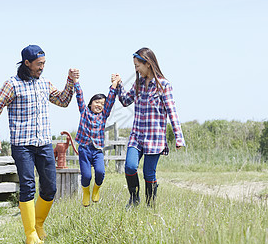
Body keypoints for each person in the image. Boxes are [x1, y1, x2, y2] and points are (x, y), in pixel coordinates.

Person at [0, 44, 79, 244]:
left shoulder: (45, 83)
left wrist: (70, 81)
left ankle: (38, 224)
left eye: (44, 63)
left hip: (44, 143)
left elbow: (63, 101)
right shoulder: (12, 85)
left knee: (50, 187)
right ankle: (30, 235)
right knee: (28, 186)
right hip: (23, 145)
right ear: (26, 63)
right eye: (39, 64)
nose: (42, 67)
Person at [113, 47, 185, 207]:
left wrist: (178, 137)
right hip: (137, 136)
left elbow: (172, 112)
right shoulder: (138, 84)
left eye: (137, 65)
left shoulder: (164, 85)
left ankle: (150, 204)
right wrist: (118, 85)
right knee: (130, 166)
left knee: (148, 173)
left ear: (148, 64)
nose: (136, 69)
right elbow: (125, 101)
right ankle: (134, 198)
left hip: (155, 138)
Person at [74, 74, 121, 206]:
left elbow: (111, 99)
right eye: (97, 102)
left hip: (97, 150)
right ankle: (86, 192)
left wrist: (114, 85)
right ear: (90, 103)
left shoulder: (104, 115)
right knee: (87, 176)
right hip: (84, 149)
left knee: (100, 172)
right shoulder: (84, 111)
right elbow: (79, 95)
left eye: (102, 103)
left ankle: (96, 189)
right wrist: (76, 81)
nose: (99, 105)